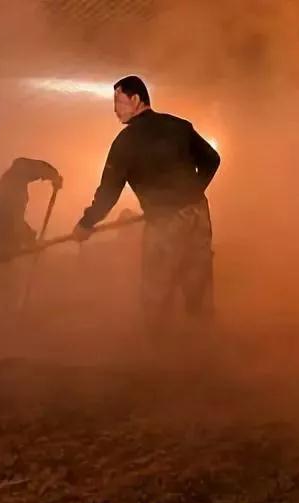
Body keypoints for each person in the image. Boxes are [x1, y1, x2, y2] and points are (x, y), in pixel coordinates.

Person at [71, 75, 220, 339]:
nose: (115, 109)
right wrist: (192, 192)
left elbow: (108, 193)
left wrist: (86, 223)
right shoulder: (179, 126)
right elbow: (212, 159)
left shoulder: (125, 143)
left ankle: (157, 356)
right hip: (198, 215)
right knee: (198, 283)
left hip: (165, 224)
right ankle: (203, 351)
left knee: (157, 290)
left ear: (136, 100)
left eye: (118, 101)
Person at [0, 158, 62, 311]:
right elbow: (12, 221)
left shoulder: (10, 184)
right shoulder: (10, 189)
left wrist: (54, 176)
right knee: (3, 287)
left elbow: (38, 168)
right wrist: (31, 240)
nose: (38, 178)